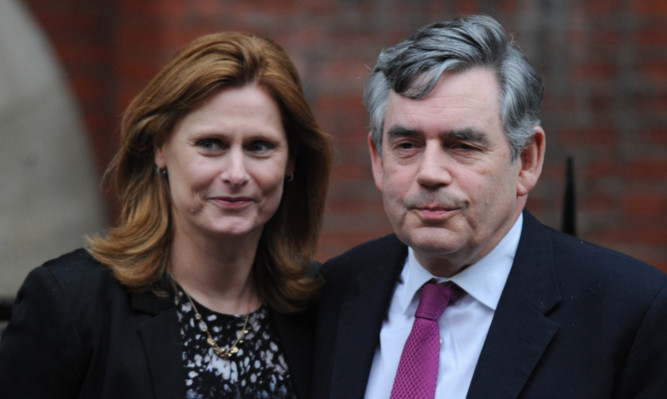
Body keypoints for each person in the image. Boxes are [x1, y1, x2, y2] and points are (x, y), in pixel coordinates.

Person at [312, 15, 667, 399]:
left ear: (527, 160)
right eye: (407, 145)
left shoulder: (629, 313)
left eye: (462, 146)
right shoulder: (333, 292)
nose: (430, 173)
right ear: (378, 159)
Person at [0, 32, 332, 399]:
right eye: (211, 144)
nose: (237, 173)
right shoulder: (72, 304)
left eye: (259, 146)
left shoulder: (324, 305)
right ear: (160, 148)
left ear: (292, 162)